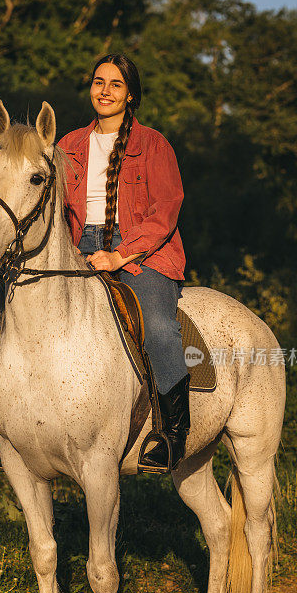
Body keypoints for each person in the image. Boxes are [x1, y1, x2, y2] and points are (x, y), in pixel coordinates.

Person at [58, 54, 190, 472]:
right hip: (77, 244)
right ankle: (14, 429)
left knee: (158, 325)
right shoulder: (66, 146)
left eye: (116, 85)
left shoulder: (153, 143)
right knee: (4, 313)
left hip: (141, 249)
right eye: (99, 82)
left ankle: (172, 432)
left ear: (130, 95)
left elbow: (165, 210)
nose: (105, 91)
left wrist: (119, 253)